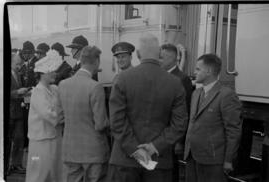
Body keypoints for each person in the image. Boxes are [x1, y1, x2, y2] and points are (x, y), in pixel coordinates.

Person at [107, 33, 188, 182]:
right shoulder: (175, 83)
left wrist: (134, 149)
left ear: (137, 54)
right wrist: (155, 146)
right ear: (159, 54)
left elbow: (116, 121)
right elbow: (180, 124)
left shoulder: (122, 79)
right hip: (159, 162)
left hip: (124, 161)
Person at [184, 54, 242, 182]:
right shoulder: (196, 93)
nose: (194, 72)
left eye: (198, 69)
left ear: (209, 71)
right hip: (192, 156)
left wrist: (228, 160)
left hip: (213, 161)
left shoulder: (226, 95)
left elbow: (233, 131)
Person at [58, 46, 110, 182]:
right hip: (93, 151)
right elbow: (100, 124)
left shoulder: (63, 85)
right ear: (97, 61)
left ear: (81, 60)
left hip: (70, 149)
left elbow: (59, 117)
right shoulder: (95, 86)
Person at [25, 50, 64, 182]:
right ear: (43, 73)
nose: (55, 73)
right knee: (39, 172)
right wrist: (62, 116)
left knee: (55, 171)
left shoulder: (54, 89)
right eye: (52, 70)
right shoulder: (38, 92)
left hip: (54, 138)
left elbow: (61, 108)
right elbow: (49, 114)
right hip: (40, 142)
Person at [160, 43, 193, 182]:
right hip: (161, 132)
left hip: (173, 134)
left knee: (172, 169)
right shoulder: (161, 75)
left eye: (162, 57)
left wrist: (180, 141)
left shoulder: (182, 78)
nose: (159, 60)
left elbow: (185, 110)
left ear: (172, 58)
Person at [7, 53, 29, 174]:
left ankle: (17, 164)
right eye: (17, 64)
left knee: (19, 139)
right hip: (10, 112)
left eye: (20, 64)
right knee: (8, 140)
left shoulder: (18, 75)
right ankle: (6, 165)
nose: (19, 66)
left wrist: (25, 93)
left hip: (19, 112)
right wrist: (17, 92)